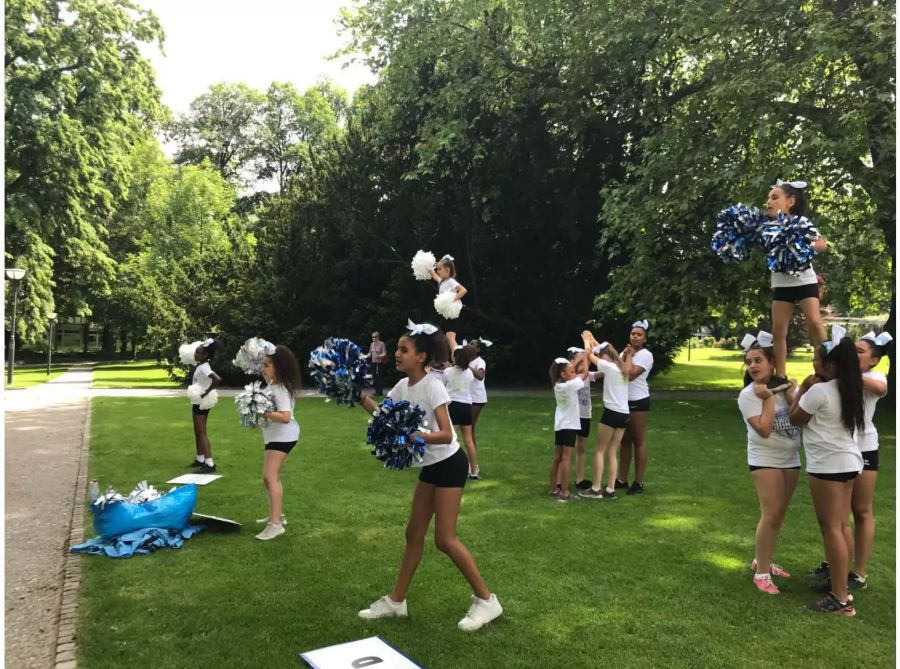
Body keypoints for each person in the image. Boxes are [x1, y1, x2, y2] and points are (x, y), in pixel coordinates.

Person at [356, 319, 502, 631]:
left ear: (421, 357)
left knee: (445, 539)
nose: (397, 354)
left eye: (403, 349)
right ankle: (396, 602)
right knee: (413, 534)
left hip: (450, 463)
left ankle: (487, 600)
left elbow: (447, 435)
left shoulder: (433, 385)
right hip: (431, 467)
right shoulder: (403, 386)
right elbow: (384, 415)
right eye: (397, 348)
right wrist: (358, 395)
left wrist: (412, 436)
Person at [789, 325, 864, 616]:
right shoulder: (850, 387)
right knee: (842, 525)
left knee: (831, 527)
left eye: (816, 358)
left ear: (829, 365)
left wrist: (804, 388)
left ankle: (840, 599)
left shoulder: (819, 390)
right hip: (848, 464)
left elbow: (796, 418)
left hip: (828, 466)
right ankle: (841, 584)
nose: (812, 361)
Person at [809, 330, 892, 592]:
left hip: (864, 449)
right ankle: (836, 566)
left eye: (859, 352)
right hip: (840, 451)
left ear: (874, 360)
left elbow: (880, 388)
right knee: (837, 517)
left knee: (861, 510)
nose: (852, 356)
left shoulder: (872, 377)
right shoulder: (836, 380)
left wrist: (845, 370)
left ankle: (858, 573)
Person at [737, 331, 801, 595]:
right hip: (765, 459)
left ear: (772, 362)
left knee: (779, 515)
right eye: (749, 362)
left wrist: (793, 392)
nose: (752, 366)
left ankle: (762, 560)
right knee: (771, 514)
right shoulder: (749, 395)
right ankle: (762, 574)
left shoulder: (783, 388)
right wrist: (767, 400)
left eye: (758, 360)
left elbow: (800, 417)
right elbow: (763, 429)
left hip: (791, 458)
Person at [765, 179, 829, 390]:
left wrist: (801, 248)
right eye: (768, 198)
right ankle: (780, 377)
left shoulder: (801, 222)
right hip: (782, 284)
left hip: (804, 280)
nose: (769, 202)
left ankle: (827, 368)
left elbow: (822, 244)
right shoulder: (767, 227)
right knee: (778, 330)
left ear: (790, 201)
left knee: (815, 322)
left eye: (775, 197)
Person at [254, 344, 301, 541]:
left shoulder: (280, 388)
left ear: (278, 367)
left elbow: (285, 416)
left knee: (270, 477)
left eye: (266, 365)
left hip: (283, 436)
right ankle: (277, 515)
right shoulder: (274, 386)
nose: (263, 369)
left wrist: (263, 413)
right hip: (276, 437)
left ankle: (275, 525)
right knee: (270, 478)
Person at [580, 334, 631, 500]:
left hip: (611, 413)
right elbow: (598, 350)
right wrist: (594, 339)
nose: (600, 358)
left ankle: (595, 489)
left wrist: (587, 342)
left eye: (602, 356)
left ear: (607, 356)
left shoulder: (608, 366)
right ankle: (610, 489)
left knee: (599, 450)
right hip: (624, 414)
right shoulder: (621, 367)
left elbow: (589, 354)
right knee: (612, 452)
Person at [616, 320, 653, 494]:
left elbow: (630, 375)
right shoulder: (626, 352)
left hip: (638, 401)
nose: (635, 337)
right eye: (633, 334)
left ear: (644, 338)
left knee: (638, 440)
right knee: (624, 441)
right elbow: (617, 370)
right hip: (623, 400)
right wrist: (624, 356)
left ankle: (638, 482)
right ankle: (621, 479)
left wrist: (628, 357)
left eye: (639, 334)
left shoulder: (646, 355)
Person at [549, 349, 590, 503]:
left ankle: (554, 489)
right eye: (572, 372)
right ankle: (565, 493)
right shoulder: (570, 385)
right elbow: (585, 373)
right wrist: (585, 357)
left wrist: (576, 361)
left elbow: (571, 368)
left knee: (557, 458)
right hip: (570, 426)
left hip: (560, 425)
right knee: (566, 459)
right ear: (564, 374)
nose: (574, 373)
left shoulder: (559, 384)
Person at [444, 333, 480, 479]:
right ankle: (474, 470)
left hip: (452, 405)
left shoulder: (447, 371)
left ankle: (452, 467)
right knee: (469, 439)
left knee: (452, 438)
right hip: (466, 406)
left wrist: (448, 367)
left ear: (455, 358)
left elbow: (444, 384)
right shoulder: (469, 373)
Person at [189, 339, 221, 473]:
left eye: (198, 353)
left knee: (201, 431)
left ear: (205, 355)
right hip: (198, 401)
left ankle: (209, 463)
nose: (195, 354)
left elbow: (217, 379)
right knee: (197, 430)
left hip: (202, 402)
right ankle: (200, 458)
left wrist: (206, 393)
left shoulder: (204, 367)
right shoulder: (201, 365)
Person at [569, 346, 599, 491]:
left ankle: (580, 479)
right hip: (571, 417)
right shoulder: (569, 377)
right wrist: (581, 357)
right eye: (581, 360)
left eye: (586, 361)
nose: (585, 363)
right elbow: (573, 369)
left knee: (581, 447)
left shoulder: (588, 376)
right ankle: (561, 479)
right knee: (567, 448)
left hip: (585, 416)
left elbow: (605, 371)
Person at [430, 254, 467, 337]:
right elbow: (434, 275)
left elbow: (463, 290)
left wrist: (452, 299)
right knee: (443, 337)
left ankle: (456, 350)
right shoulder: (441, 282)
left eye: (439, 269)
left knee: (450, 337)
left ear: (447, 270)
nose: (437, 271)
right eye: (437, 269)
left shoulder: (451, 281)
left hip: (451, 313)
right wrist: (427, 267)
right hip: (444, 314)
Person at [468, 338, 490, 458]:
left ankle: (473, 462)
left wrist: (467, 366)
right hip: (467, 398)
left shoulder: (480, 362)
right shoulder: (466, 360)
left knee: (470, 428)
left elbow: (480, 376)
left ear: (478, 349)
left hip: (477, 398)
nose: (469, 345)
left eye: (473, 344)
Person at [367, 331, 389, 396]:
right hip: (374, 363)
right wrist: (365, 356)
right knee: (374, 377)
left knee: (379, 377)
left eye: (375, 337)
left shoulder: (382, 344)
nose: (374, 338)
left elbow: (384, 353)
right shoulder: (372, 344)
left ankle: (380, 392)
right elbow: (370, 353)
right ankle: (376, 391)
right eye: (373, 337)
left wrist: (379, 356)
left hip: (380, 363)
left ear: (378, 337)